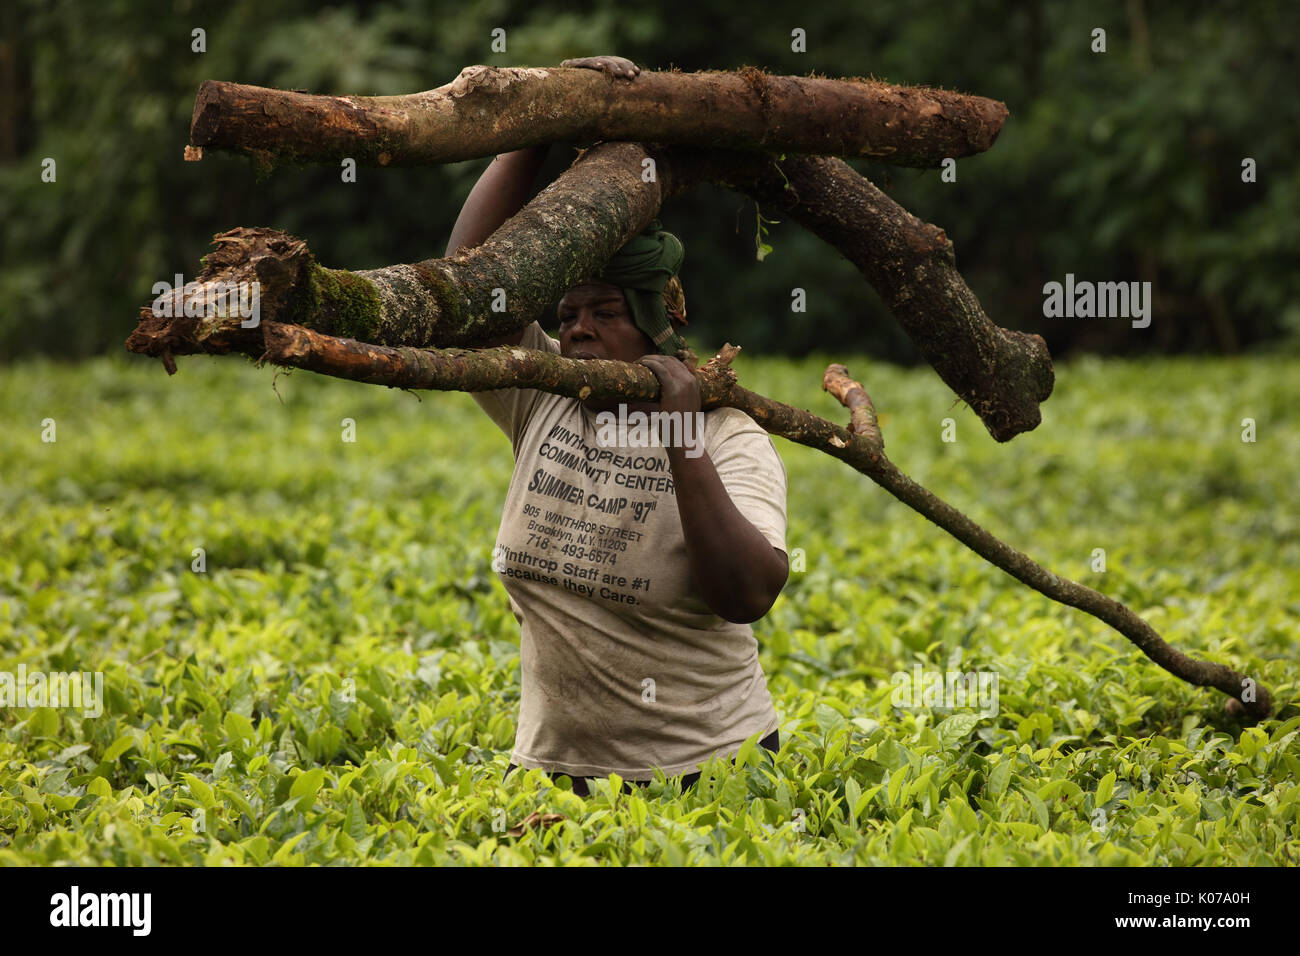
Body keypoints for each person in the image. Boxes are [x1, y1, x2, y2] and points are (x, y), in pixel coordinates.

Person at [445, 55, 789, 797]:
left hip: (713, 776)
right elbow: (469, 282)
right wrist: (534, 125)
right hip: (552, 780)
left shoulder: (728, 435)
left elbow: (748, 593)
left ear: (655, 323)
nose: (578, 334)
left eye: (605, 313)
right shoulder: (541, 399)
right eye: (567, 315)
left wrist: (681, 441)